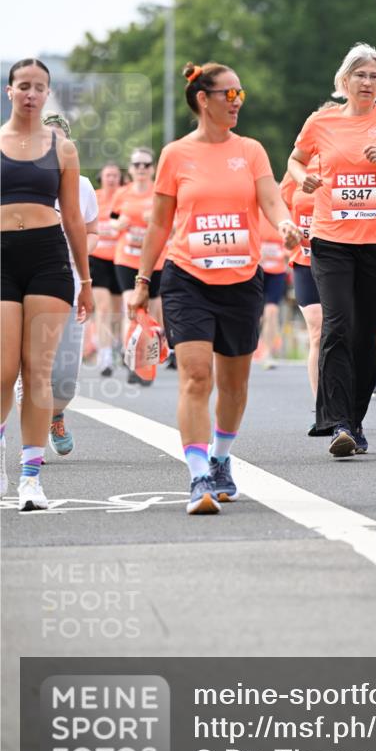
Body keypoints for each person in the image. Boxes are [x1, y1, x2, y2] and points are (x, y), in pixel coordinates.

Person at [128, 61, 301, 514]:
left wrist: (284, 224)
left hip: (242, 278)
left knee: (235, 385)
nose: (237, 102)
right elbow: (160, 223)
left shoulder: (251, 150)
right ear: (203, 99)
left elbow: (269, 197)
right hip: (187, 277)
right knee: (196, 376)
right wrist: (144, 281)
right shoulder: (175, 155)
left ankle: (222, 459)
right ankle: (198, 474)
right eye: (230, 94)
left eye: (240, 94)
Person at [288, 42, 376, 458]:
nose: (367, 82)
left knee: (364, 333)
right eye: (360, 75)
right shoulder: (321, 123)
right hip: (330, 241)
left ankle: (356, 422)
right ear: (344, 80)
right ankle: (336, 423)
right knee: (336, 325)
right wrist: (303, 180)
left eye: (374, 76)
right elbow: (294, 160)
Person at [0, 59, 93, 510]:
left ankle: (30, 477)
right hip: (1, 259)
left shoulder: (62, 148)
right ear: (10, 91)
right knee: (3, 371)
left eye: (39, 87)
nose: (31, 94)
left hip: (47, 259)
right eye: (24, 86)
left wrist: (88, 279)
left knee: (37, 372)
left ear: (47, 93)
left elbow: (73, 218)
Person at [41, 114, 99, 457]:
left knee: (64, 380)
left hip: (71, 283)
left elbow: (91, 231)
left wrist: (77, 256)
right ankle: (29, 450)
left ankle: (56, 414)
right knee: (30, 371)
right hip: (30, 283)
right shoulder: (21, 181)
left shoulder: (83, 185)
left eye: (59, 142)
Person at [279, 166, 333, 436]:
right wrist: (287, 232)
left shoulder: (340, 161)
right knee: (317, 329)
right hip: (304, 262)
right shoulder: (295, 171)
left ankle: (345, 401)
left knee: (342, 331)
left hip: (338, 261)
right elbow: (280, 211)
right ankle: (322, 407)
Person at [110, 147, 165, 385]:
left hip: (155, 260)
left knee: (151, 312)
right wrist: (119, 225)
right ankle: (131, 359)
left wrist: (156, 221)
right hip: (127, 258)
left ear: (153, 169)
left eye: (146, 165)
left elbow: (173, 224)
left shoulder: (160, 192)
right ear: (130, 169)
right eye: (137, 165)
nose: (141, 169)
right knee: (130, 308)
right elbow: (111, 223)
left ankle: (148, 363)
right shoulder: (122, 194)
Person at [90, 162, 124, 377]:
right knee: (102, 308)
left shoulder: (125, 197)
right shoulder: (94, 196)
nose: (111, 178)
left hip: (120, 260)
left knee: (116, 311)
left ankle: (115, 345)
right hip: (97, 258)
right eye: (108, 175)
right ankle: (105, 356)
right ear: (101, 177)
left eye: (115, 175)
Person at [256, 210, 289, 369]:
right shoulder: (255, 212)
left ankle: (268, 353)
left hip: (277, 271)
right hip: (257, 269)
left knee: (272, 312)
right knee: (256, 314)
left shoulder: (283, 215)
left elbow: (291, 242)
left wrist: (286, 253)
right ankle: (247, 349)